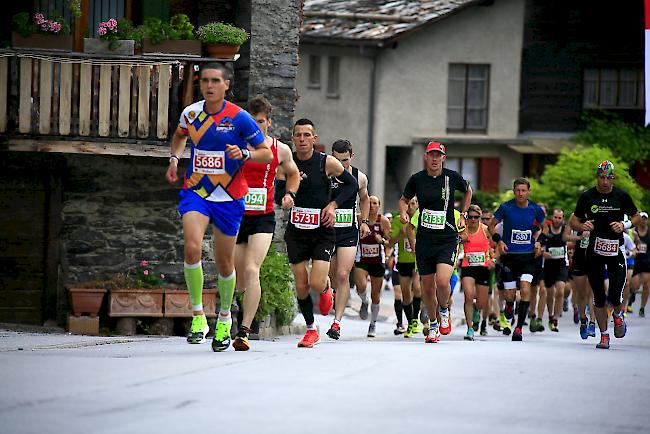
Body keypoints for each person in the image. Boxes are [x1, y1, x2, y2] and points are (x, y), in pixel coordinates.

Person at [165, 63, 272, 352]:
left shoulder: (240, 118)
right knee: (191, 246)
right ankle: (198, 315)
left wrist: (245, 153)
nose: (209, 86)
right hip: (196, 191)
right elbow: (179, 136)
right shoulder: (191, 113)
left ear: (226, 85)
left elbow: (266, 154)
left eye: (215, 81)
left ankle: (224, 318)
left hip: (229, 197)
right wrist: (175, 159)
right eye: (205, 81)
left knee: (225, 263)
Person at [232, 96, 300, 351]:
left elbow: (293, 174)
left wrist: (289, 194)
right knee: (238, 279)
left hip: (263, 216)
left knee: (252, 269)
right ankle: (237, 311)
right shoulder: (235, 146)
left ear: (268, 123)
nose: (256, 126)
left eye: (260, 122)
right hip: (236, 216)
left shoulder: (279, 149)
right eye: (251, 121)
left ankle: (245, 331)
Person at [286, 119, 358, 348]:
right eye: (298, 135)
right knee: (300, 284)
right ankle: (310, 329)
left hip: (322, 231)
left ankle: (327, 288)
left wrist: (333, 205)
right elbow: (278, 186)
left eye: (307, 135)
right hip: (296, 231)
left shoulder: (326, 163)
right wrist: (285, 197)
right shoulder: (288, 163)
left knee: (316, 284)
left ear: (314, 139)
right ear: (293, 138)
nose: (302, 139)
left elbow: (352, 185)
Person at [399, 141, 472, 343]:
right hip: (425, 239)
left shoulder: (451, 177)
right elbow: (403, 200)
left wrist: (463, 214)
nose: (434, 159)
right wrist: (404, 213)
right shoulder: (417, 179)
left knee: (442, 281)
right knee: (427, 287)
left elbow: (468, 190)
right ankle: (433, 325)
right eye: (431, 155)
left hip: (447, 238)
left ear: (443, 158)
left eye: (437, 155)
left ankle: (444, 309)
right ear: (425, 157)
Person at [569, 160, 641, 349]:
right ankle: (604, 335)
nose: (604, 182)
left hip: (615, 251)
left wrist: (624, 225)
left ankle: (617, 315)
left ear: (613, 178)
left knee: (616, 295)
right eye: (601, 177)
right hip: (594, 252)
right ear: (597, 177)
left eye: (608, 178)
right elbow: (573, 221)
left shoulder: (621, 196)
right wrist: (582, 226)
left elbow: (637, 216)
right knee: (599, 296)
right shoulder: (587, 197)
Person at [488, 178, 545, 342]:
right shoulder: (506, 207)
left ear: (528, 191)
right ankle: (510, 305)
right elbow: (492, 226)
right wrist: (499, 241)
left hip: (527, 257)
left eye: (523, 190)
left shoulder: (535, 209)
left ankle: (518, 328)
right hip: (509, 258)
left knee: (525, 288)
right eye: (518, 190)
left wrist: (539, 242)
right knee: (510, 294)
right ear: (514, 191)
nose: (520, 193)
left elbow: (544, 227)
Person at [325, 139, 370, 340]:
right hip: (326, 229)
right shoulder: (325, 173)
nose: (340, 165)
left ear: (352, 157)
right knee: (330, 276)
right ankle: (331, 292)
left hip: (348, 231)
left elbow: (365, 199)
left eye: (344, 160)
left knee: (343, 275)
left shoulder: (359, 177)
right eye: (336, 159)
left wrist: (365, 221)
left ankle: (337, 322)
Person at [355, 196, 391, 337]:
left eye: (375, 203)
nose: (371, 206)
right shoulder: (358, 219)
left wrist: (381, 240)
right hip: (361, 258)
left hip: (377, 261)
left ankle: (373, 324)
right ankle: (364, 302)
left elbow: (389, 242)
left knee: (375, 295)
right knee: (361, 286)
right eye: (369, 203)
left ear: (379, 206)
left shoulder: (383, 221)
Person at [460, 204, 494, 340]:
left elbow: (496, 244)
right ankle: (469, 328)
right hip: (468, 267)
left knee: (481, 303)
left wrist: (493, 259)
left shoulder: (485, 230)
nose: (473, 219)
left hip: (483, 268)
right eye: (471, 217)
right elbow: (454, 245)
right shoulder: (463, 231)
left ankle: (476, 308)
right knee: (468, 295)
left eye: (476, 217)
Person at [390, 197, 422, 337]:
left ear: (418, 205)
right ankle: (410, 323)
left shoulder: (422, 218)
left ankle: (415, 319)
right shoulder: (398, 220)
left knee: (417, 288)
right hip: (403, 261)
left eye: (413, 203)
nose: (410, 207)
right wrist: (402, 233)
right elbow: (390, 242)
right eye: (407, 204)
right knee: (406, 294)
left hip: (418, 261)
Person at [539, 209, 569, 332]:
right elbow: (539, 246)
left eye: (559, 218)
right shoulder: (547, 231)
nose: (557, 220)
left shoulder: (565, 231)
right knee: (550, 293)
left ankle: (556, 318)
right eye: (555, 217)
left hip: (562, 265)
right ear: (552, 218)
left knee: (561, 291)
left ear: (563, 219)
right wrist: (543, 253)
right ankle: (551, 315)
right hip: (549, 266)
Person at [632, 211, 649, 317]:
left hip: (647, 261)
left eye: (645, 218)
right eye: (641, 218)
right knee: (635, 285)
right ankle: (632, 295)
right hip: (635, 261)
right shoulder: (633, 231)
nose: (643, 220)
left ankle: (642, 307)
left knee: (647, 285)